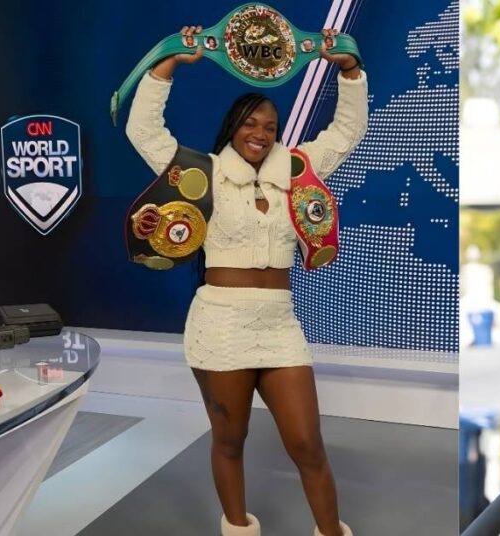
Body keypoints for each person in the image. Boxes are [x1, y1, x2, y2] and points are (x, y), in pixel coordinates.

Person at [126, 25, 367, 536]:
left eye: (270, 125)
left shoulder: (298, 169)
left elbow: (346, 132)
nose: (260, 132)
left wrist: (349, 69)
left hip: (279, 324)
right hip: (220, 323)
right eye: (250, 123)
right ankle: (238, 528)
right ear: (233, 127)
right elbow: (144, 131)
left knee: (307, 444)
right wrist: (171, 61)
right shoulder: (204, 172)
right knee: (230, 440)